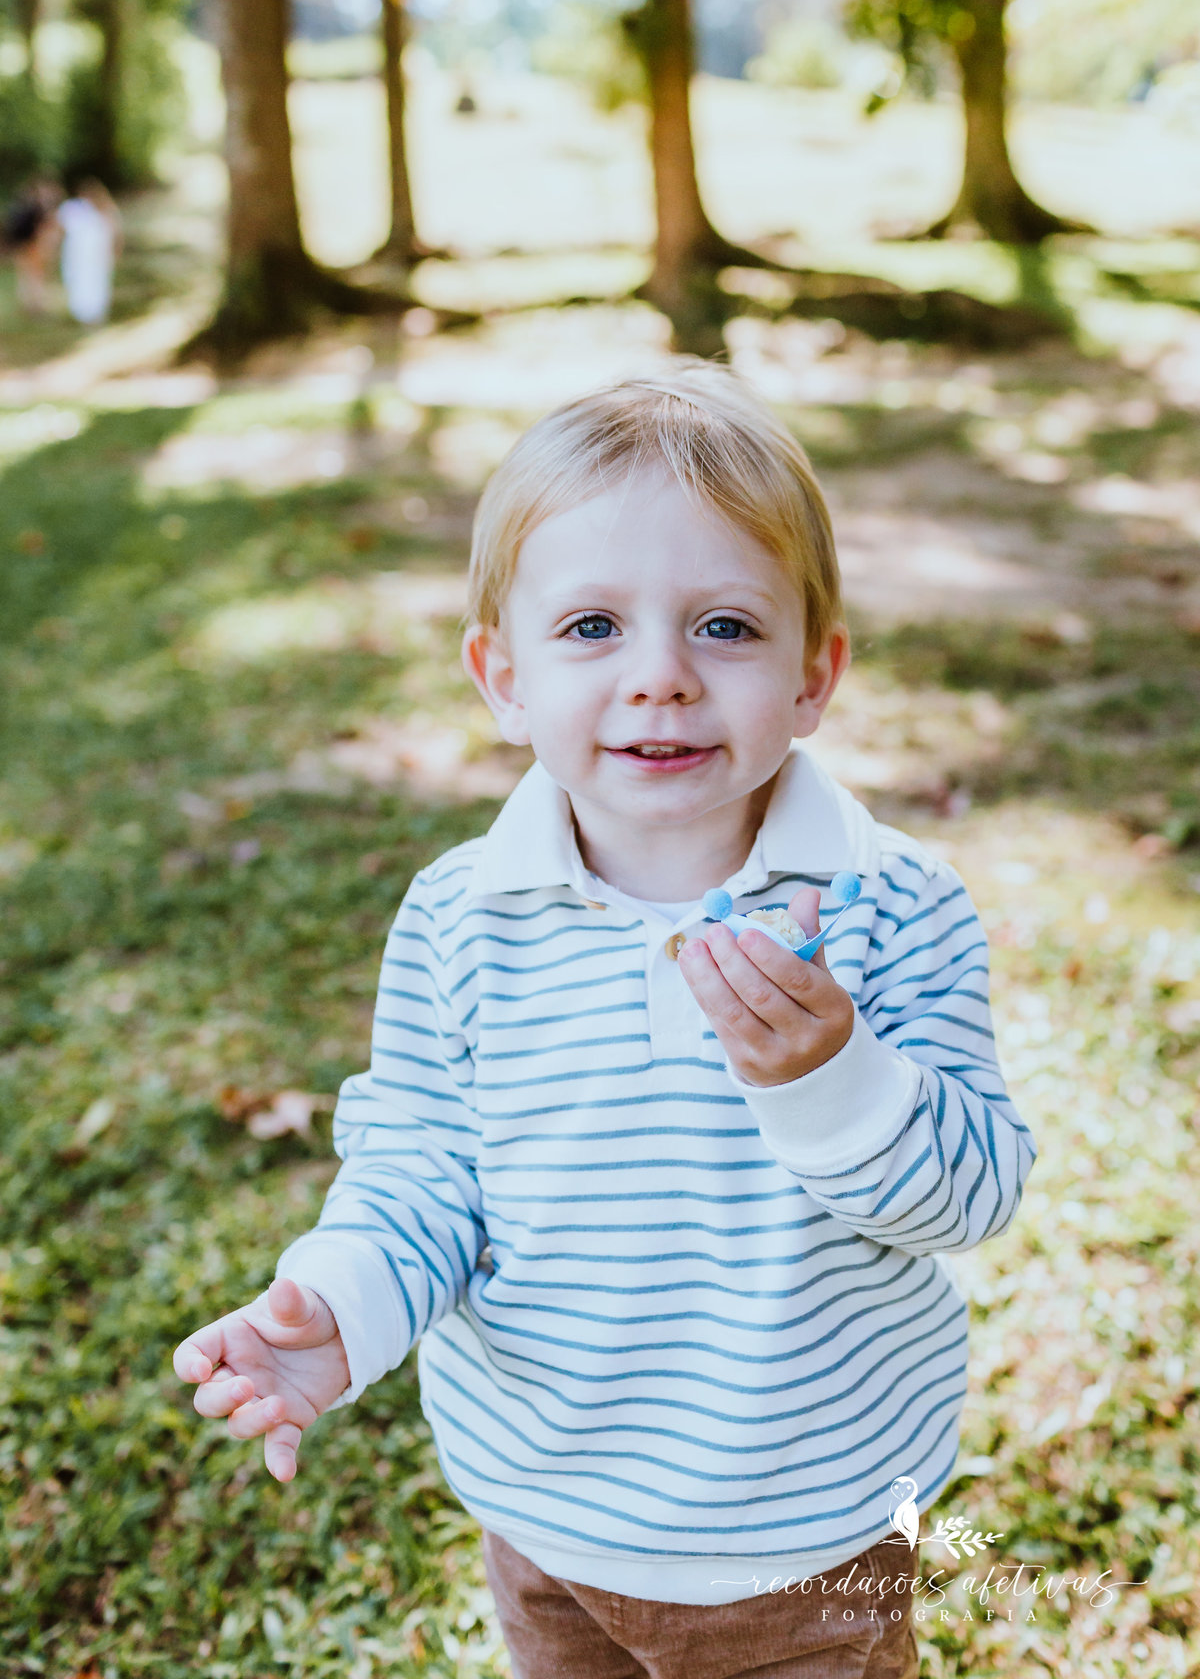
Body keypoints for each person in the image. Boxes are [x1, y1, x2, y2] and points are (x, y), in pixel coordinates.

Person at [173, 358, 1037, 1679]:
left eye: (726, 628)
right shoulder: (461, 915)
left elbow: (974, 1194)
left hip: (807, 1533)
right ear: (500, 675)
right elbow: (422, 1171)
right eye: (592, 629)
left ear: (817, 674)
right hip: (546, 1516)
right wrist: (342, 1309)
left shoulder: (890, 903)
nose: (661, 680)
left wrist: (832, 1078)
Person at [57, 177, 121, 325]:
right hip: (79, 256)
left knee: (98, 283)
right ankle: (83, 313)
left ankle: (96, 313)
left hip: (98, 255)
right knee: (80, 282)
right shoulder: (75, 209)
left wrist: (115, 251)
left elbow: (116, 233)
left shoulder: (107, 210)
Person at [4, 176, 63, 316]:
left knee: (26, 276)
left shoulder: (17, 208)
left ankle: (29, 304)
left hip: (21, 246)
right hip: (32, 246)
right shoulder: (37, 209)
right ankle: (36, 305)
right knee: (35, 277)